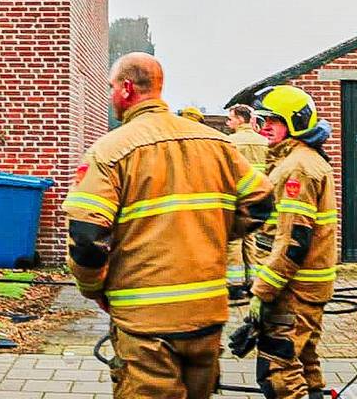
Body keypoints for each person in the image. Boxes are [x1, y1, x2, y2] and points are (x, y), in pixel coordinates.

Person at [63, 53, 274, 399]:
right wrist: (215, 231)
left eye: (112, 87)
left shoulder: (110, 151)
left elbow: (87, 237)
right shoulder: (217, 144)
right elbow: (262, 202)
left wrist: (93, 289)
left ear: (127, 88)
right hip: (206, 318)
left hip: (146, 324)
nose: (110, 94)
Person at [247, 85, 338, 399]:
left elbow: (292, 242)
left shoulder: (296, 167)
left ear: (296, 122)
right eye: (262, 120)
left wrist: (262, 292)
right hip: (305, 290)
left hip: (293, 292)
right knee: (305, 365)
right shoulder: (301, 159)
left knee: (279, 373)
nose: (265, 127)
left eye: (274, 120)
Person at [225, 103, 270, 299]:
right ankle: (253, 281)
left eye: (231, 118)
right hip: (258, 195)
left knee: (234, 240)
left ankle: (234, 285)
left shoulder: (230, 142)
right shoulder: (264, 141)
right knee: (251, 239)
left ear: (241, 119)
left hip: (237, 196)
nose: (228, 122)